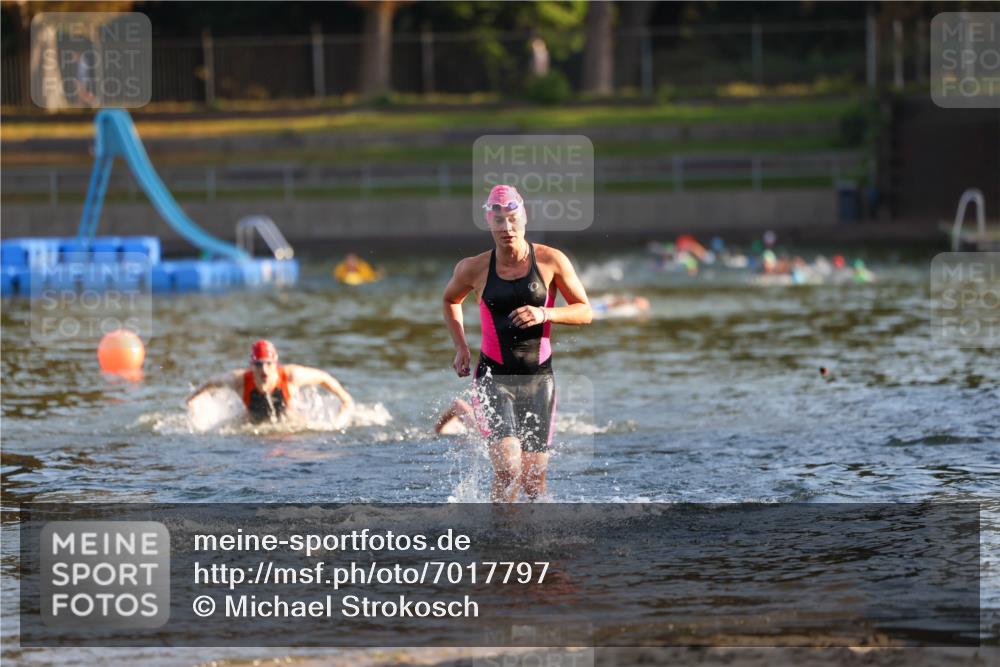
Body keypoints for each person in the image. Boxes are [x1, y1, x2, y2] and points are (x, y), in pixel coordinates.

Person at [442, 184, 592, 502]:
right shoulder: (474, 268)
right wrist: (461, 346)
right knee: (509, 468)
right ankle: (500, 538)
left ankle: (530, 544)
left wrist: (544, 312)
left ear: (524, 218)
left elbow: (585, 311)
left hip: (539, 379)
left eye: (513, 219)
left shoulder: (552, 261)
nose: (507, 228)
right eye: (499, 222)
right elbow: (450, 300)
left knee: (534, 484)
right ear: (489, 224)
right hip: (493, 377)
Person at [186, 340, 354, 425]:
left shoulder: (291, 376)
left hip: (288, 420)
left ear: (276, 364)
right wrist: (193, 400)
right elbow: (210, 383)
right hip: (250, 421)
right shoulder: (239, 380)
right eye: (259, 365)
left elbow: (323, 377)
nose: (264, 370)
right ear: (251, 365)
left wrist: (344, 398)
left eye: (269, 364)